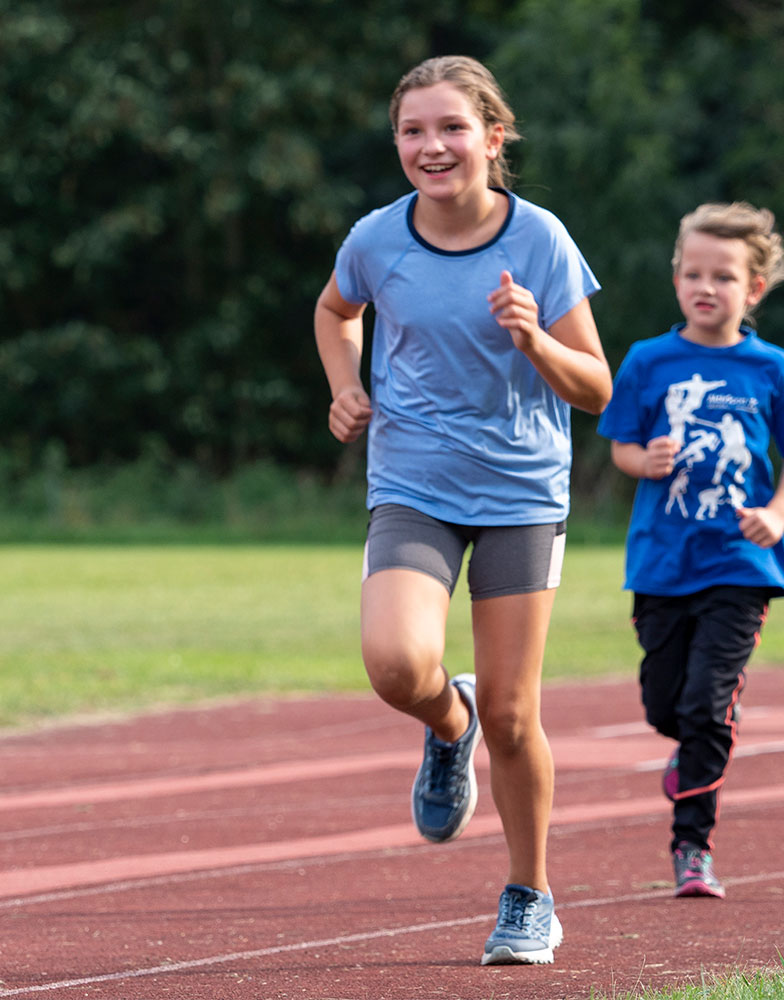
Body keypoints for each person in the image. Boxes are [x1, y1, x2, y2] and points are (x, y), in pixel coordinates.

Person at [313, 55, 612, 965]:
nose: (431, 147)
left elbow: (598, 388)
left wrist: (533, 340)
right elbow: (335, 311)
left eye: (451, 128)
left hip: (522, 493)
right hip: (413, 482)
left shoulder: (541, 241)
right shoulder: (377, 237)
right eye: (412, 131)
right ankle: (451, 723)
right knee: (398, 666)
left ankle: (530, 898)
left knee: (519, 717)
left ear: (493, 135)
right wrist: (345, 385)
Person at [598, 201, 784, 898]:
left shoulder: (770, 368)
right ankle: (686, 755)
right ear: (675, 278)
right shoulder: (649, 360)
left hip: (740, 565)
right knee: (664, 707)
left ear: (753, 289)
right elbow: (620, 443)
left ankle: (693, 845)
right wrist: (641, 460)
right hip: (660, 562)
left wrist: (776, 513)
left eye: (724, 276)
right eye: (693, 274)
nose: (706, 288)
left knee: (708, 707)